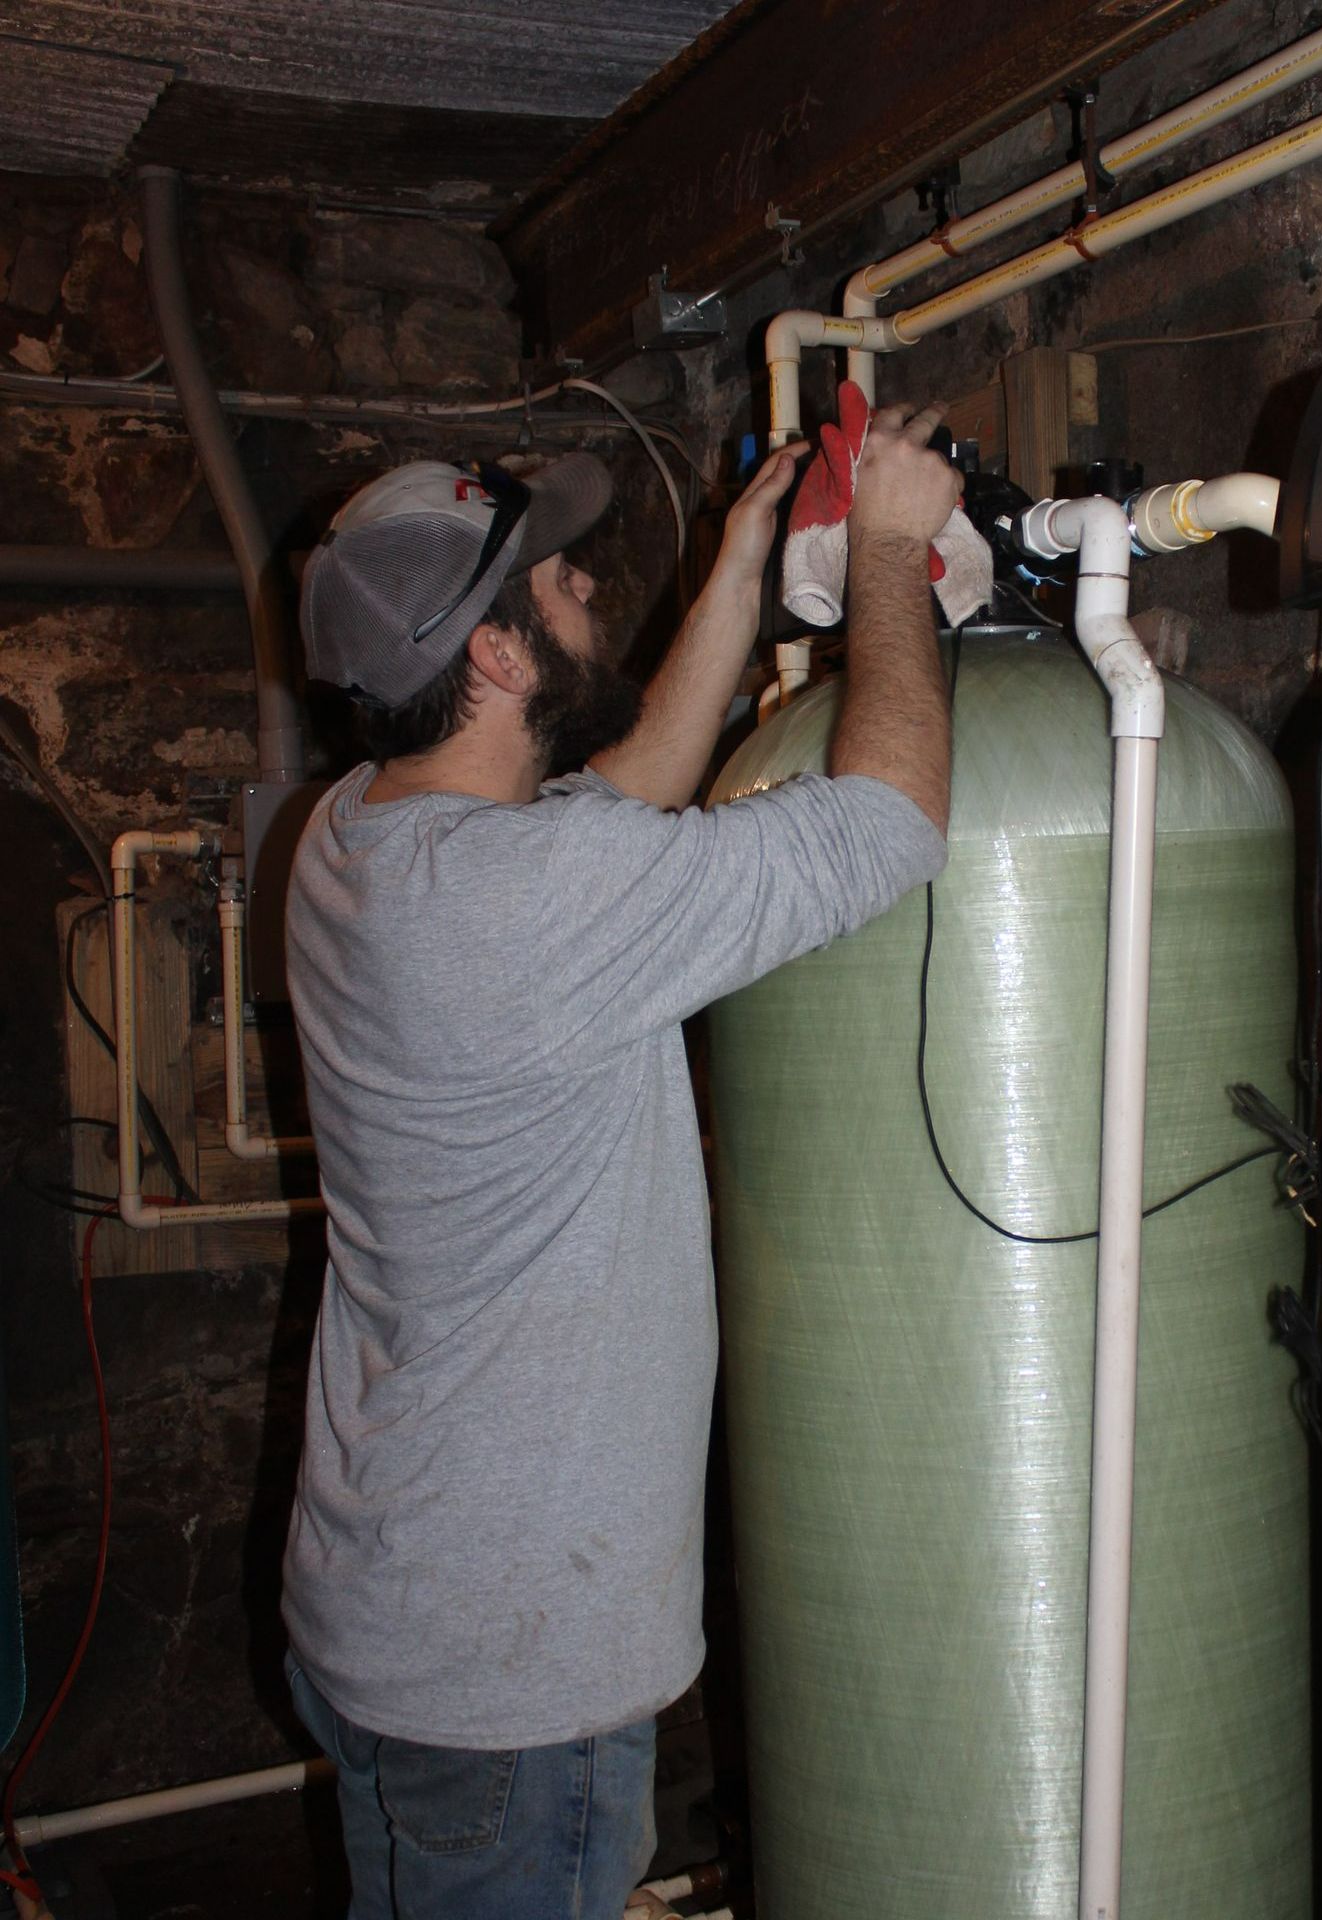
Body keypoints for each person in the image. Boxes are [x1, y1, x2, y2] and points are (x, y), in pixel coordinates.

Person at [282, 403, 962, 1919]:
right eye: (558, 579)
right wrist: (896, 557)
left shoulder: (356, 838)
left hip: (397, 1598)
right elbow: (889, 827)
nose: (589, 580)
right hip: (517, 1679)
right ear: (502, 661)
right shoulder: (526, 906)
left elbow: (622, 795)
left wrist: (739, 571)